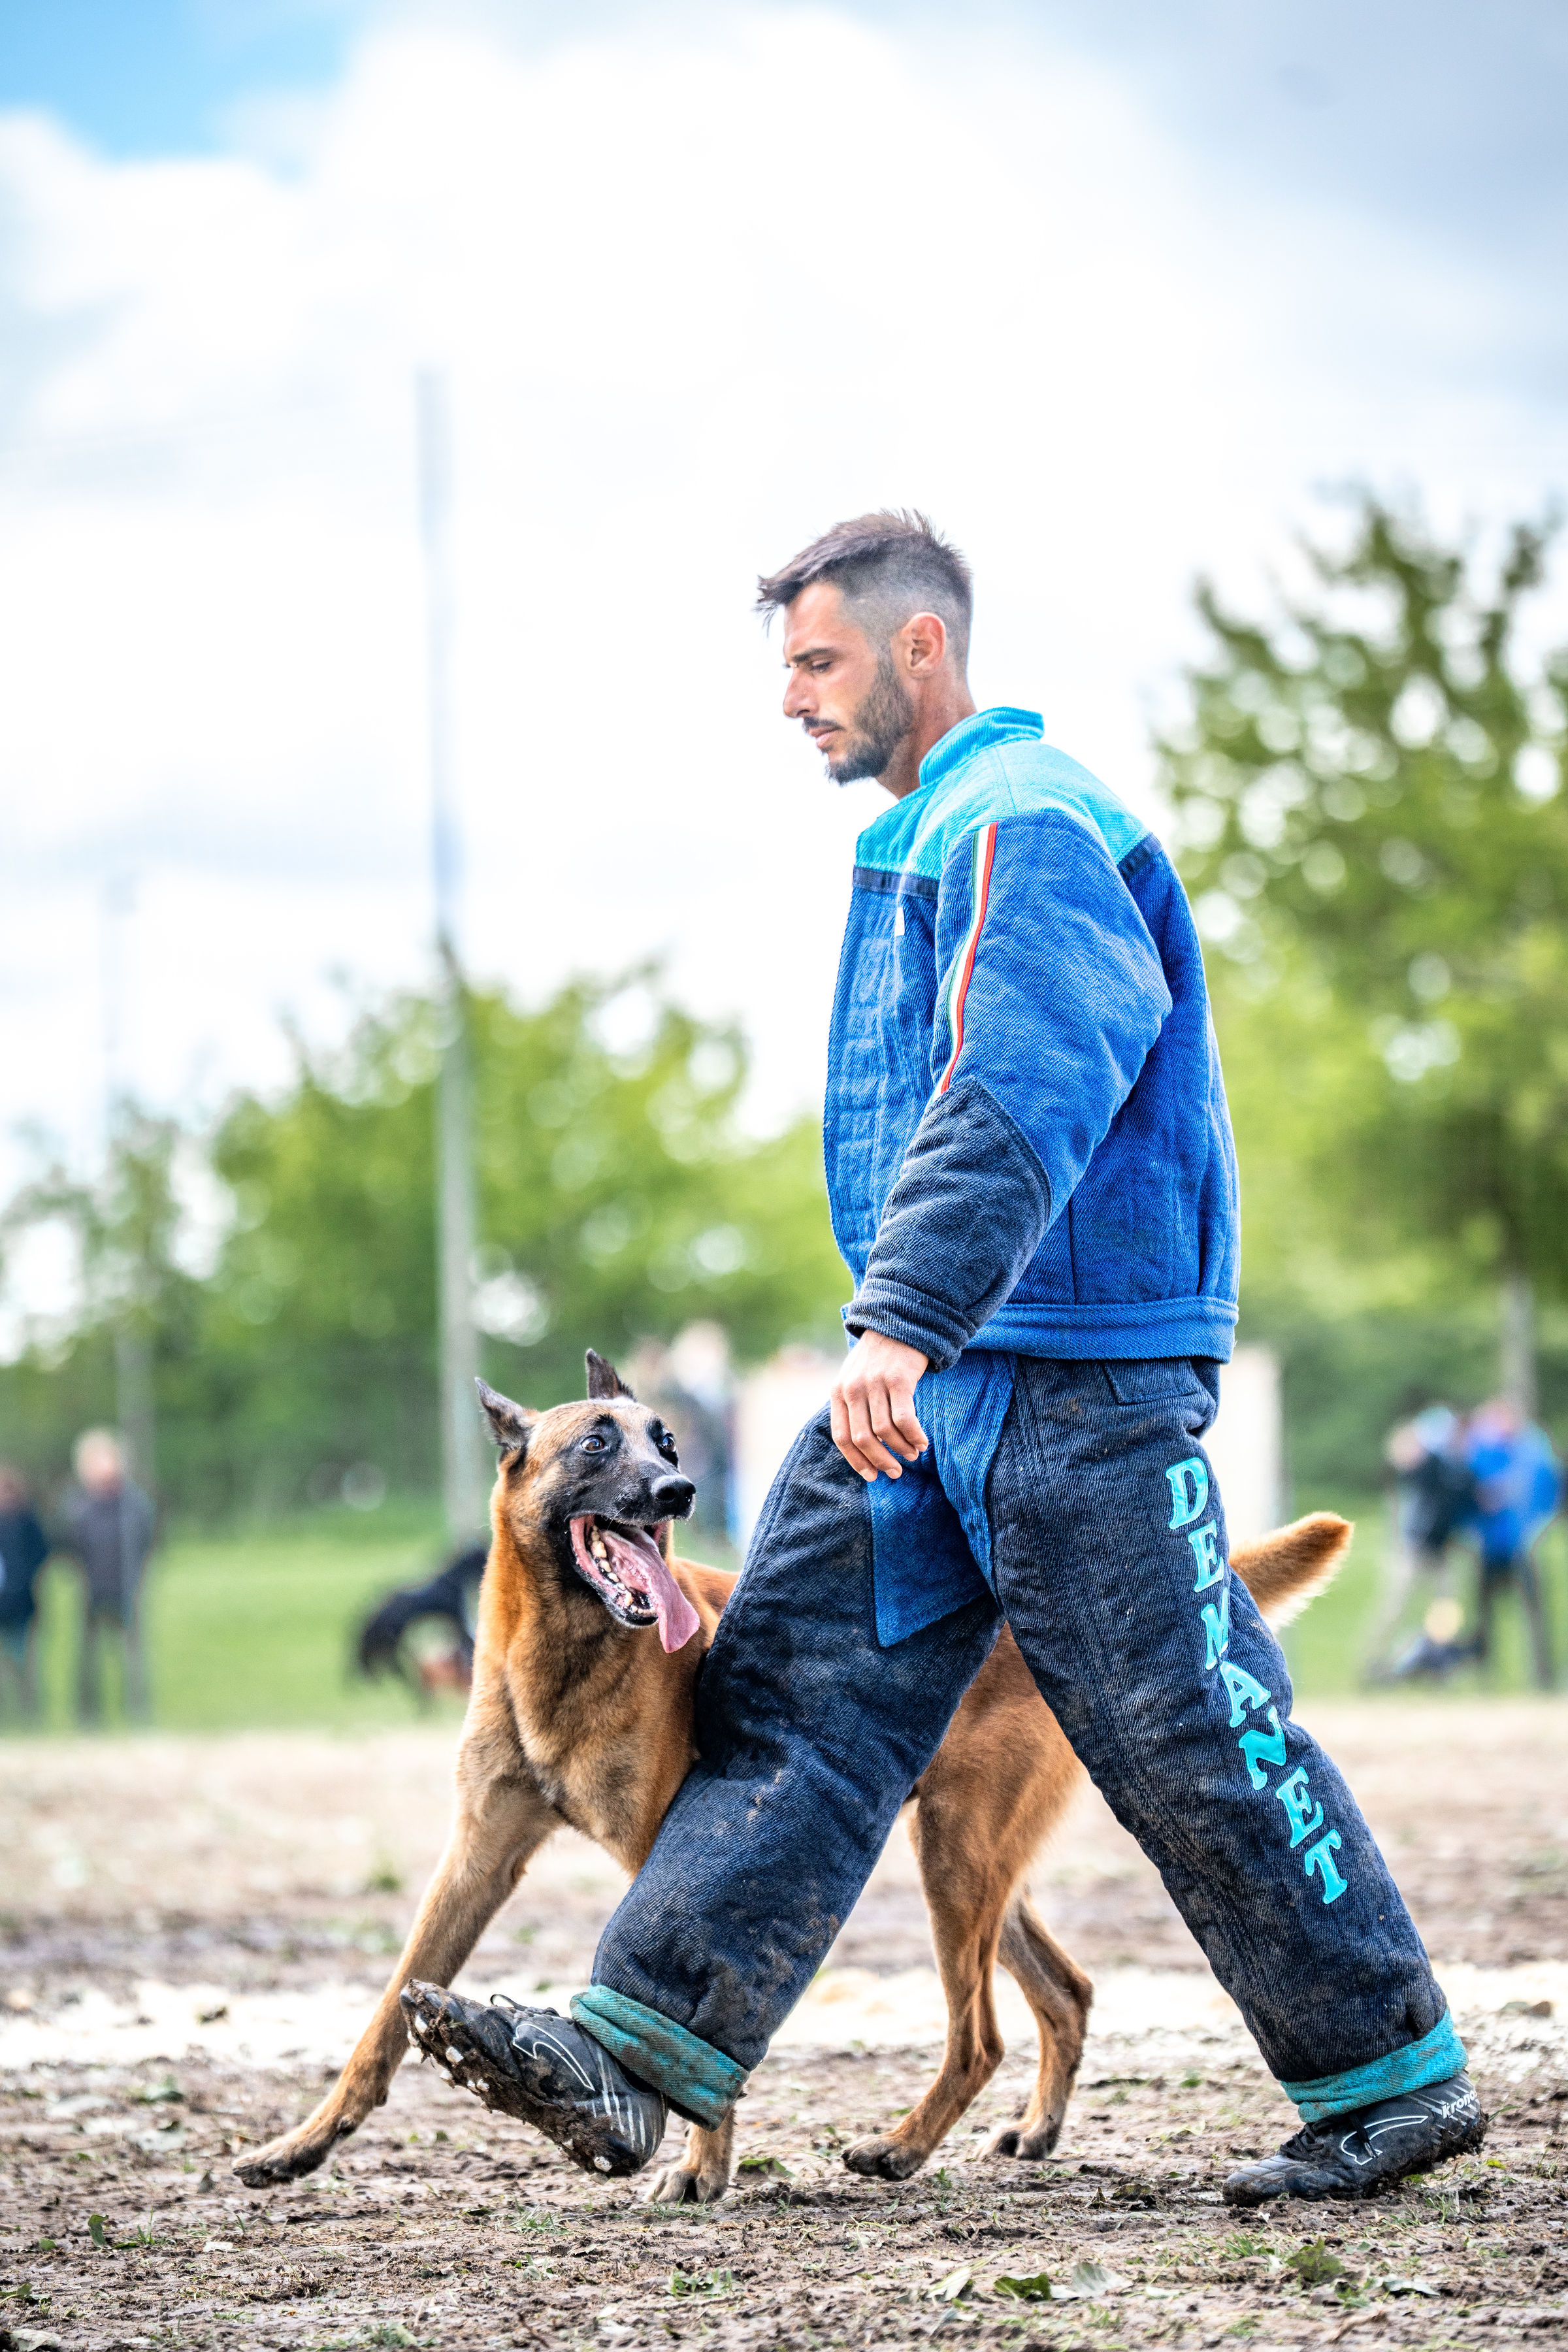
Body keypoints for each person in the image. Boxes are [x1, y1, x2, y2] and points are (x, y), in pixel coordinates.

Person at [427, 512, 1483, 2203]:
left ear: (921, 648)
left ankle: (1389, 2078)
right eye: (786, 668)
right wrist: (909, 1331)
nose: (792, 699)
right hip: (932, 1384)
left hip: (1067, 1374)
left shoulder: (1028, 819)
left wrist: (903, 1315)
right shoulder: (928, 837)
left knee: (1182, 1722)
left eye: (819, 661)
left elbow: (1025, 1076)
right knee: (781, 1694)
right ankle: (638, 2055)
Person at [1462, 1398, 1558, 1691]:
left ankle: (1543, 1677)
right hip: (1488, 1546)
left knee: (1535, 1613)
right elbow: (1464, 1494)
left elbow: (1548, 1491)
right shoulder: (1479, 1453)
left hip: (1522, 1545)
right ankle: (1485, 1675)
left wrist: (1537, 1528)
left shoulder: (1532, 1453)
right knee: (1483, 1616)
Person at [1373, 1405, 1473, 1680]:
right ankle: (1376, 1662)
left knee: (1446, 1608)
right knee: (1395, 1606)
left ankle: (1437, 1662)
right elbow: (1404, 1456)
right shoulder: (1428, 1466)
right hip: (1414, 1545)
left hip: (1442, 1548)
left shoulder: (1459, 1468)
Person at [62, 1428, 155, 1724]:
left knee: (132, 1654)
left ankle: (138, 1712)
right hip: (91, 1588)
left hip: (127, 1584)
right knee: (88, 1657)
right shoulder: (78, 1505)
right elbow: (68, 1544)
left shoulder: (133, 1503)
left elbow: (148, 1538)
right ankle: (88, 1716)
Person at [0, 1465, 50, 1722]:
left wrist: (24, 1580)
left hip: (21, 1602)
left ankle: (27, 1712)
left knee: (23, 1660)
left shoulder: (27, 1521)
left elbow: (41, 1554)